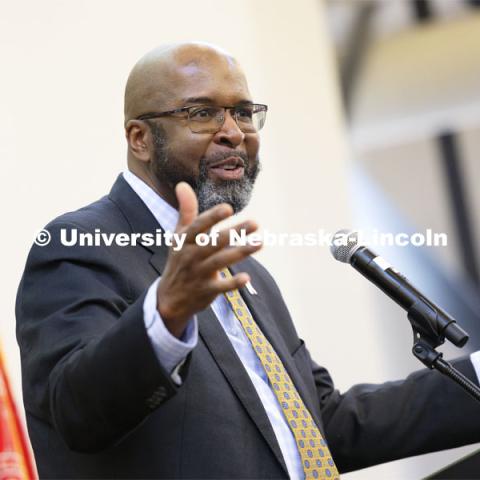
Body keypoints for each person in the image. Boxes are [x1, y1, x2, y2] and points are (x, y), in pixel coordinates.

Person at [15, 42, 480, 479]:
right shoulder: (78, 245)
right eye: (202, 113)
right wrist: (164, 313)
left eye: (243, 113)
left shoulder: (246, 273)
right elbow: (73, 412)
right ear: (140, 138)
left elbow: (321, 426)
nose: (234, 133)